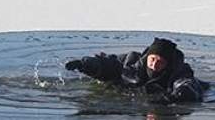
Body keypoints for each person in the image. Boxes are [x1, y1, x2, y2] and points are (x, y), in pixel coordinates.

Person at [64, 37, 204, 103]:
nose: (155, 65)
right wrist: (84, 64)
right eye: (153, 59)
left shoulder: (179, 72)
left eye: (160, 62)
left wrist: (172, 97)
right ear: (148, 57)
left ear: (168, 64)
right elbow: (108, 64)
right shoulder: (131, 61)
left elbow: (186, 85)